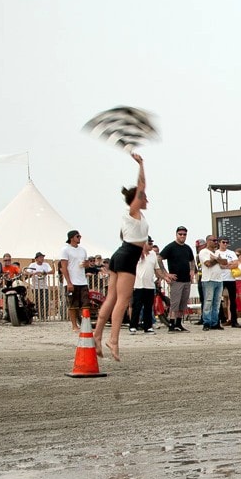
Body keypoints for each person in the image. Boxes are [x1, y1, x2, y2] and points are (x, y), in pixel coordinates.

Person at [93, 152, 149, 361]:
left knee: (112, 298)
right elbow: (141, 185)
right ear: (137, 199)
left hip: (123, 254)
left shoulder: (134, 217)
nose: (147, 199)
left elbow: (131, 237)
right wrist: (141, 164)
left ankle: (97, 335)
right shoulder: (133, 211)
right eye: (144, 197)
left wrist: (143, 247)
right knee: (123, 300)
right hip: (126, 258)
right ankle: (113, 339)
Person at [159, 226, 195, 333]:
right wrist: (166, 274)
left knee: (182, 304)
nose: (182, 236)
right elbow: (159, 258)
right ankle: (171, 324)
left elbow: (192, 260)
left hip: (186, 280)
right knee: (175, 303)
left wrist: (192, 270)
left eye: (184, 234)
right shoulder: (171, 247)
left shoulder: (187, 248)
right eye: (180, 234)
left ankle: (179, 324)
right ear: (176, 234)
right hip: (176, 280)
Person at [130, 237, 164, 334]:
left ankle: (148, 326)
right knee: (137, 306)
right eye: (149, 243)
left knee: (148, 307)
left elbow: (157, 269)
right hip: (138, 285)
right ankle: (133, 326)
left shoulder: (153, 254)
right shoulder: (136, 253)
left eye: (152, 243)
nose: (151, 245)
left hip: (149, 285)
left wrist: (165, 277)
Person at [58, 231, 90, 331]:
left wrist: (86, 264)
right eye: (78, 236)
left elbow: (87, 264)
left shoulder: (83, 250)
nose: (80, 238)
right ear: (71, 238)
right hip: (72, 281)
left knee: (85, 304)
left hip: (82, 281)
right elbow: (64, 267)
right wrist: (69, 282)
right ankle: (74, 325)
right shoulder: (65, 250)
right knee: (72, 305)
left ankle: (85, 325)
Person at [198, 235, 227, 331]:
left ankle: (215, 322)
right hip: (208, 280)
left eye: (216, 240)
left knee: (217, 303)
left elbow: (225, 262)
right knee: (208, 301)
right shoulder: (203, 252)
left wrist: (215, 259)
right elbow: (208, 264)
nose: (215, 242)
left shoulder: (217, 252)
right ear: (207, 241)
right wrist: (218, 260)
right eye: (213, 240)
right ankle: (206, 322)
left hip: (219, 280)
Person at [217, 237, 241, 327]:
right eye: (223, 242)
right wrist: (229, 263)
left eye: (227, 242)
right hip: (220, 278)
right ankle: (222, 318)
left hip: (231, 278)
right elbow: (218, 265)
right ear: (219, 243)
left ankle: (234, 320)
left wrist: (225, 265)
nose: (225, 244)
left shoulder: (231, 253)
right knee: (218, 299)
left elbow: (236, 264)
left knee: (233, 300)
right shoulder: (216, 253)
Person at [24, 252, 52, 320]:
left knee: (46, 301)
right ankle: (39, 315)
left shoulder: (46, 264)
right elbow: (26, 272)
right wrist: (34, 273)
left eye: (43, 257)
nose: (42, 258)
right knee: (37, 301)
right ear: (36, 259)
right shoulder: (33, 265)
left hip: (44, 286)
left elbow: (52, 271)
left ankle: (45, 315)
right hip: (35, 287)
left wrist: (44, 273)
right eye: (40, 257)